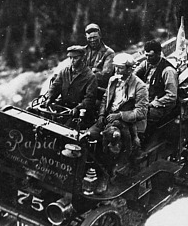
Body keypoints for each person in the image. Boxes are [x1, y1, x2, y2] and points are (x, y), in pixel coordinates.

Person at [88, 53, 148, 194]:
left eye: (120, 68)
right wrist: (102, 114)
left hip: (127, 123)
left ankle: (107, 175)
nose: (116, 71)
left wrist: (120, 115)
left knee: (113, 141)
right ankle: (92, 169)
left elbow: (141, 112)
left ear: (129, 69)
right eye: (115, 68)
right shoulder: (113, 80)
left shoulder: (140, 86)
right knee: (89, 135)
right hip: (108, 118)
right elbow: (105, 99)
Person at [42, 45, 97, 123]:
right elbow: (55, 86)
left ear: (82, 58)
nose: (72, 61)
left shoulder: (90, 77)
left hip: (80, 112)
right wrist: (50, 98)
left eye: (75, 58)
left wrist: (77, 108)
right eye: (70, 58)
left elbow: (89, 99)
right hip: (63, 106)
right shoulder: (64, 71)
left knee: (66, 129)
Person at [134, 40, 179, 124]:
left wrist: (152, 104)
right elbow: (134, 75)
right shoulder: (147, 63)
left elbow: (172, 96)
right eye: (146, 56)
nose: (147, 58)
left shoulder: (168, 71)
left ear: (158, 54)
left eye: (151, 56)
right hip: (146, 99)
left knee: (139, 115)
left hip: (161, 106)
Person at [83, 23, 115, 88]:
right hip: (83, 86)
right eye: (89, 38)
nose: (92, 40)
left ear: (100, 36)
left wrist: (85, 73)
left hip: (99, 89)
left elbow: (105, 76)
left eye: (95, 37)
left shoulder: (109, 53)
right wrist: (94, 70)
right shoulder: (83, 51)